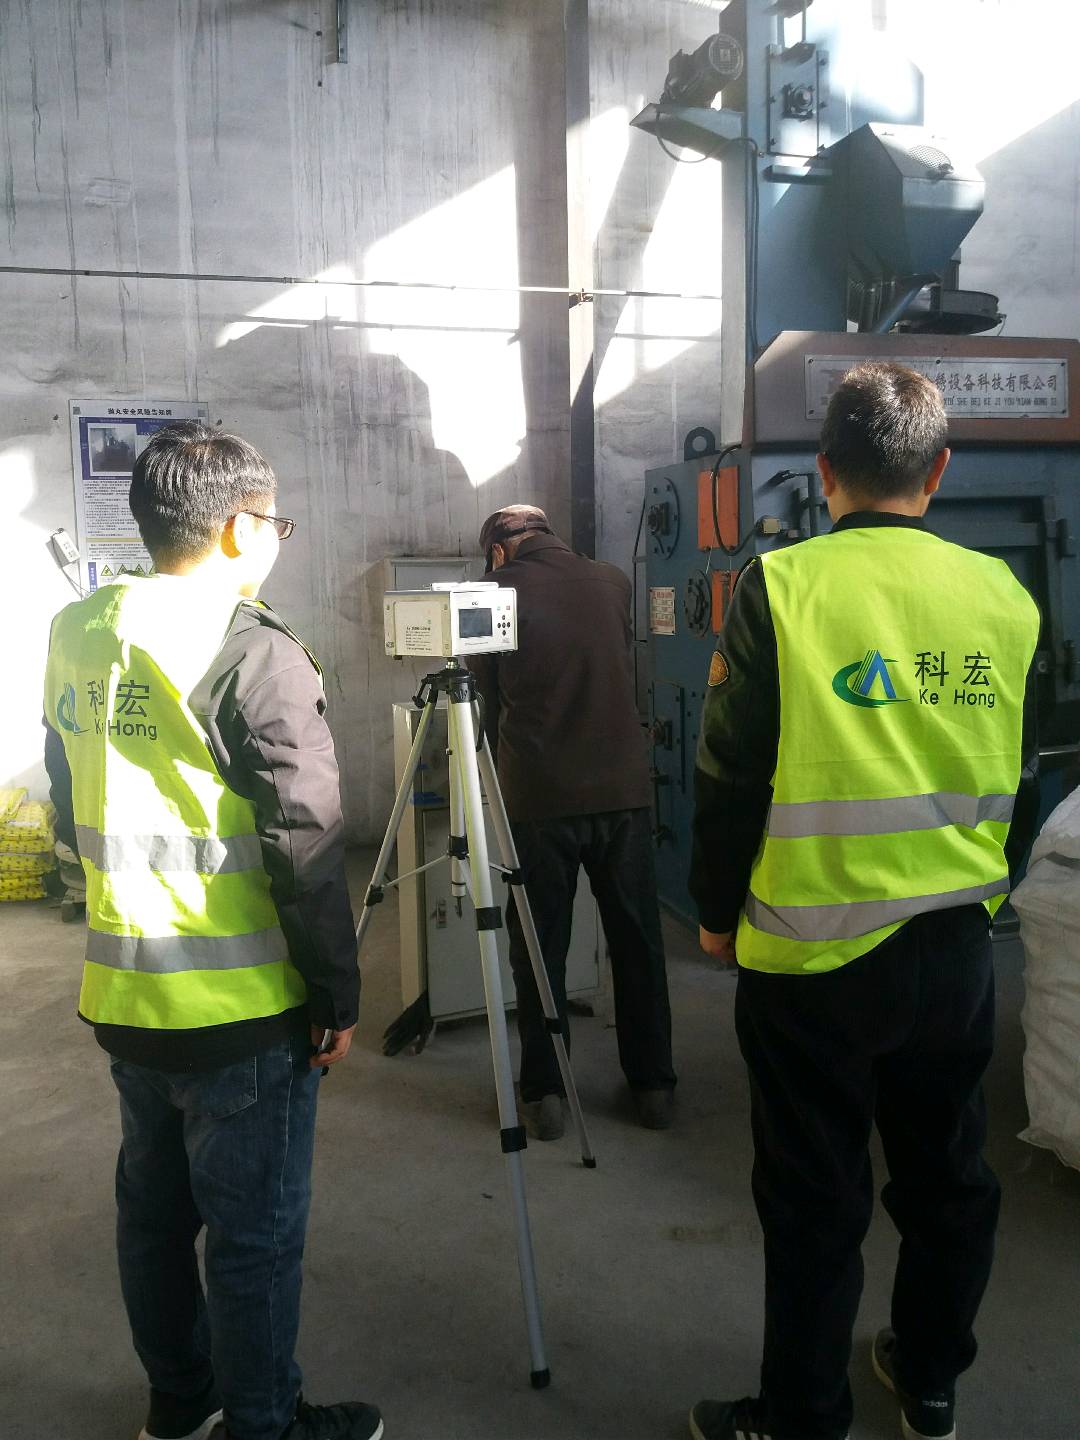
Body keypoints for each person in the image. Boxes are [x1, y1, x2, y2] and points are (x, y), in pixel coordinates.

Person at [687, 363, 1040, 1440]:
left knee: (814, 1200)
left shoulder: (781, 586)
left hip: (814, 960)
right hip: (960, 949)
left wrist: (714, 912)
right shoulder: (1004, 594)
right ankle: (929, 1378)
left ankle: (801, 1418)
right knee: (949, 1180)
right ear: (939, 469)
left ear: (824, 471)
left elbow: (730, 775)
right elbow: (1019, 768)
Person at [43, 423, 383, 1440]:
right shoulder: (250, 646)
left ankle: (180, 1406)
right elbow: (307, 841)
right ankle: (266, 1426)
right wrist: (337, 995)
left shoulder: (80, 628)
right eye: (277, 523)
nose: (277, 539)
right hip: (242, 1010)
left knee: (153, 1222)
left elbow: (67, 792)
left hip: (126, 992)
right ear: (238, 529)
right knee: (253, 1239)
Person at [470, 505, 677, 1141]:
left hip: (541, 797)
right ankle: (653, 1088)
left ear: (499, 551)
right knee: (637, 940)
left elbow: (484, 700)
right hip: (623, 792)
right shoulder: (613, 580)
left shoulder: (493, 592)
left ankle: (546, 1093)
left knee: (540, 945)